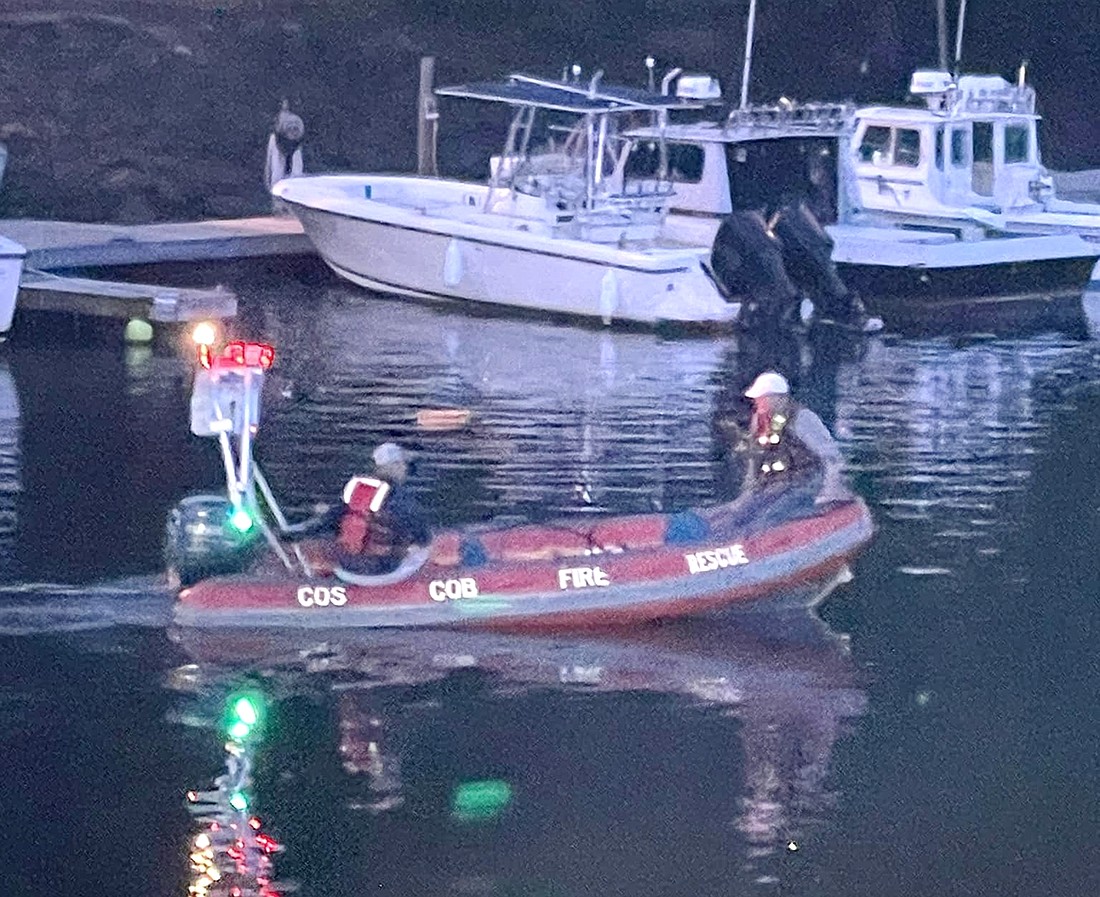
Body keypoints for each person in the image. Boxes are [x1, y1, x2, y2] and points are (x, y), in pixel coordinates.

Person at [738, 370, 852, 507]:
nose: (757, 402)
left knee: (773, 512)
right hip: (775, 484)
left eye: (762, 398)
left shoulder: (802, 418)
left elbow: (831, 457)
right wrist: (748, 492)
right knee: (744, 510)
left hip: (807, 482)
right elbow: (754, 458)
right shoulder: (759, 420)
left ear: (779, 398)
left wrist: (829, 489)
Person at [334, 442, 431, 577]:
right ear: (393, 466)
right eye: (402, 464)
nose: (404, 469)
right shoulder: (398, 496)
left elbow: (332, 521)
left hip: (347, 565)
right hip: (384, 568)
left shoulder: (355, 489)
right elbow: (422, 536)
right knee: (423, 547)